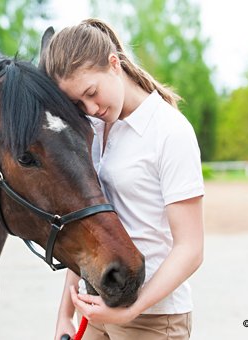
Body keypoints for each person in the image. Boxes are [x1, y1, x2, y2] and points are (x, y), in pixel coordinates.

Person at [43, 18, 205, 340]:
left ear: (114, 64)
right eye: (78, 103)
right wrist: (65, 313)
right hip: (95, 310)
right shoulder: (94, 130)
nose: (90, 108)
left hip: (154, 318)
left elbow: (191, 248)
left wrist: (131, 310)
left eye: (92, 92)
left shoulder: (170, 132)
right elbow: (85, 225)